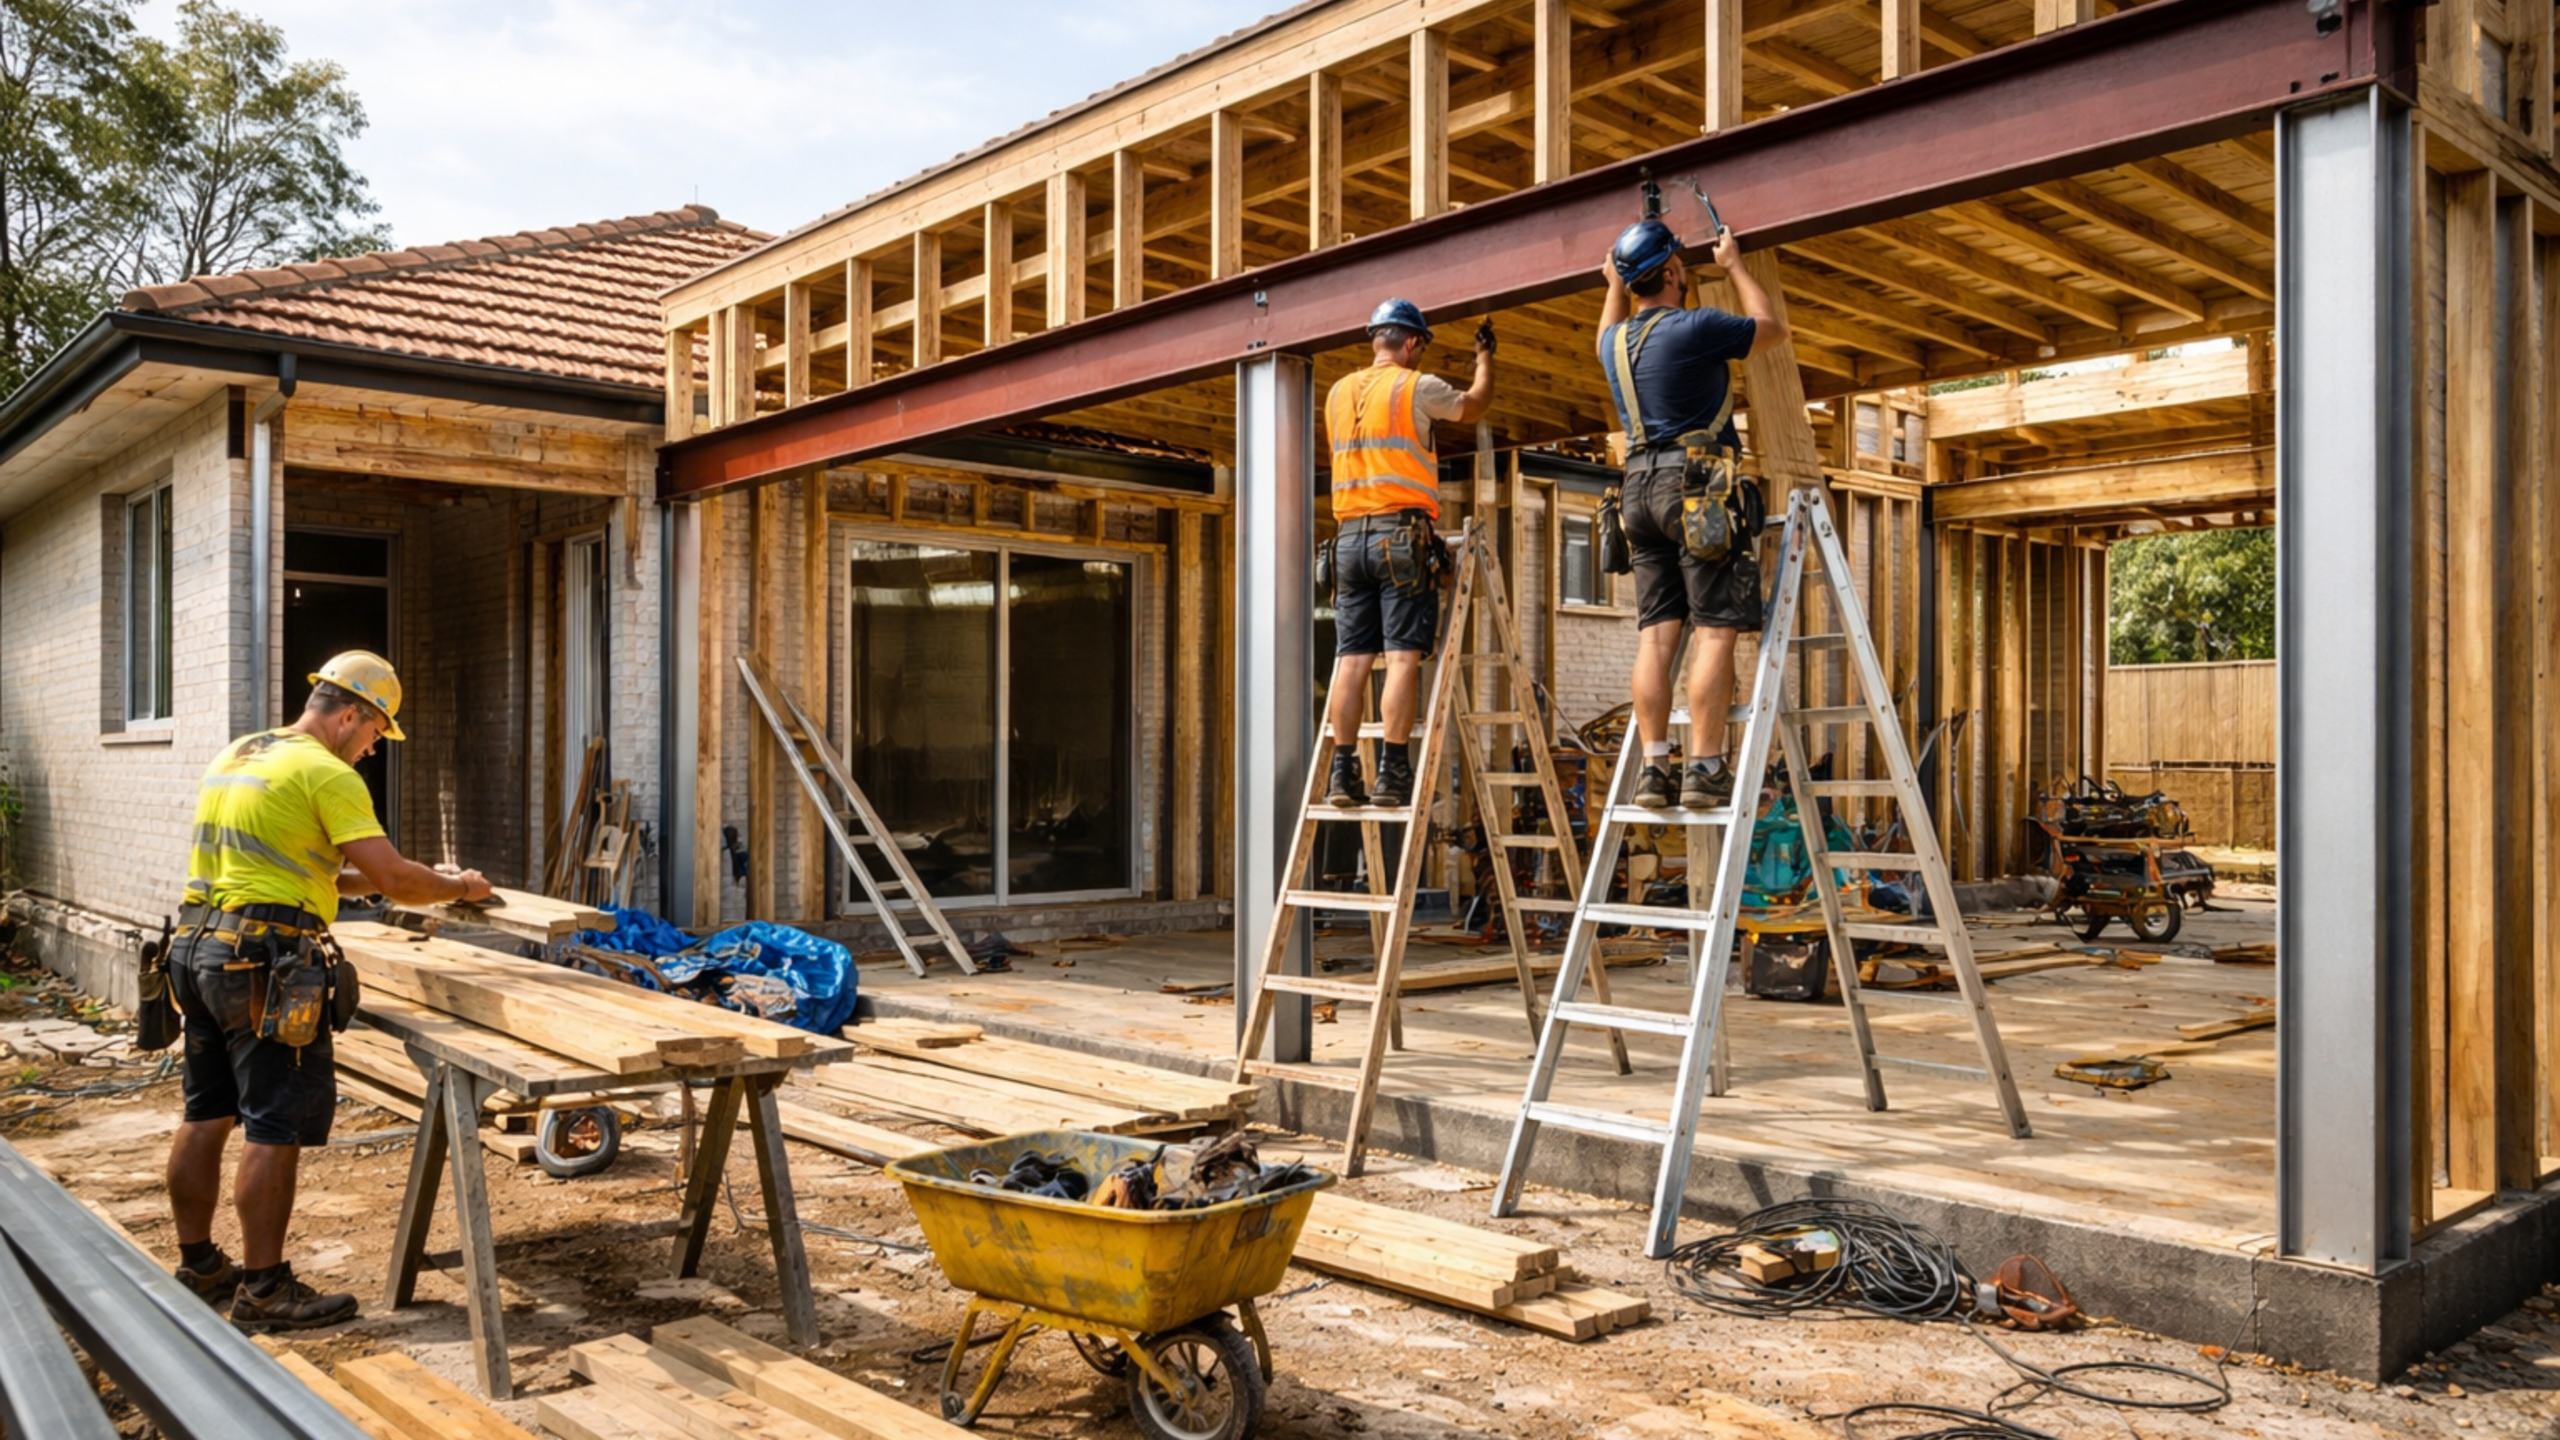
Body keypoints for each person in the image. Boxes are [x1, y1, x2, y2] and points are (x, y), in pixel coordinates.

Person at [165, 650, 493, 1332]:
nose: (372, 750)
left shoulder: (244, 753)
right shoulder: (327, 772)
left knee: (206, 1113)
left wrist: (381, 878)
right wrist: (458, 887)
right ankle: (264, 1291)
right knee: (272, 1124)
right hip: (262, 964)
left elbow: (309, 868)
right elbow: (399, 881)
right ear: (351, 715)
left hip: (197, 951)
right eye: (376, 734)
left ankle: (199, 1266)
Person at [1595, 218, 1790, 810]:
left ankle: (1656, 769)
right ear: (1676, 272)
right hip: (1697, 486)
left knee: (1656, 638)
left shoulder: (1613, 344)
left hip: (1638, 489)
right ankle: (1705, 768)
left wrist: (1614, 285)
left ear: (1629, 283)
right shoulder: (1696, 326)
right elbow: (1771, 329)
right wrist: (1733, 264)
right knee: (1715, 630)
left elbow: (1609, 321)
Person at [1321, 298, 1495, 807]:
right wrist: (1484, 358)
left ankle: (1342, 772)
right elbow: (1475, 403)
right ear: (1413, 342)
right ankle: (1392, 774)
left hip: (1347, 541)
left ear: (1377, 337)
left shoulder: (1337, 392)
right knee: (1400, 659)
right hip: (1399, 537)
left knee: (1351, 662)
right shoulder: (1416, 386)